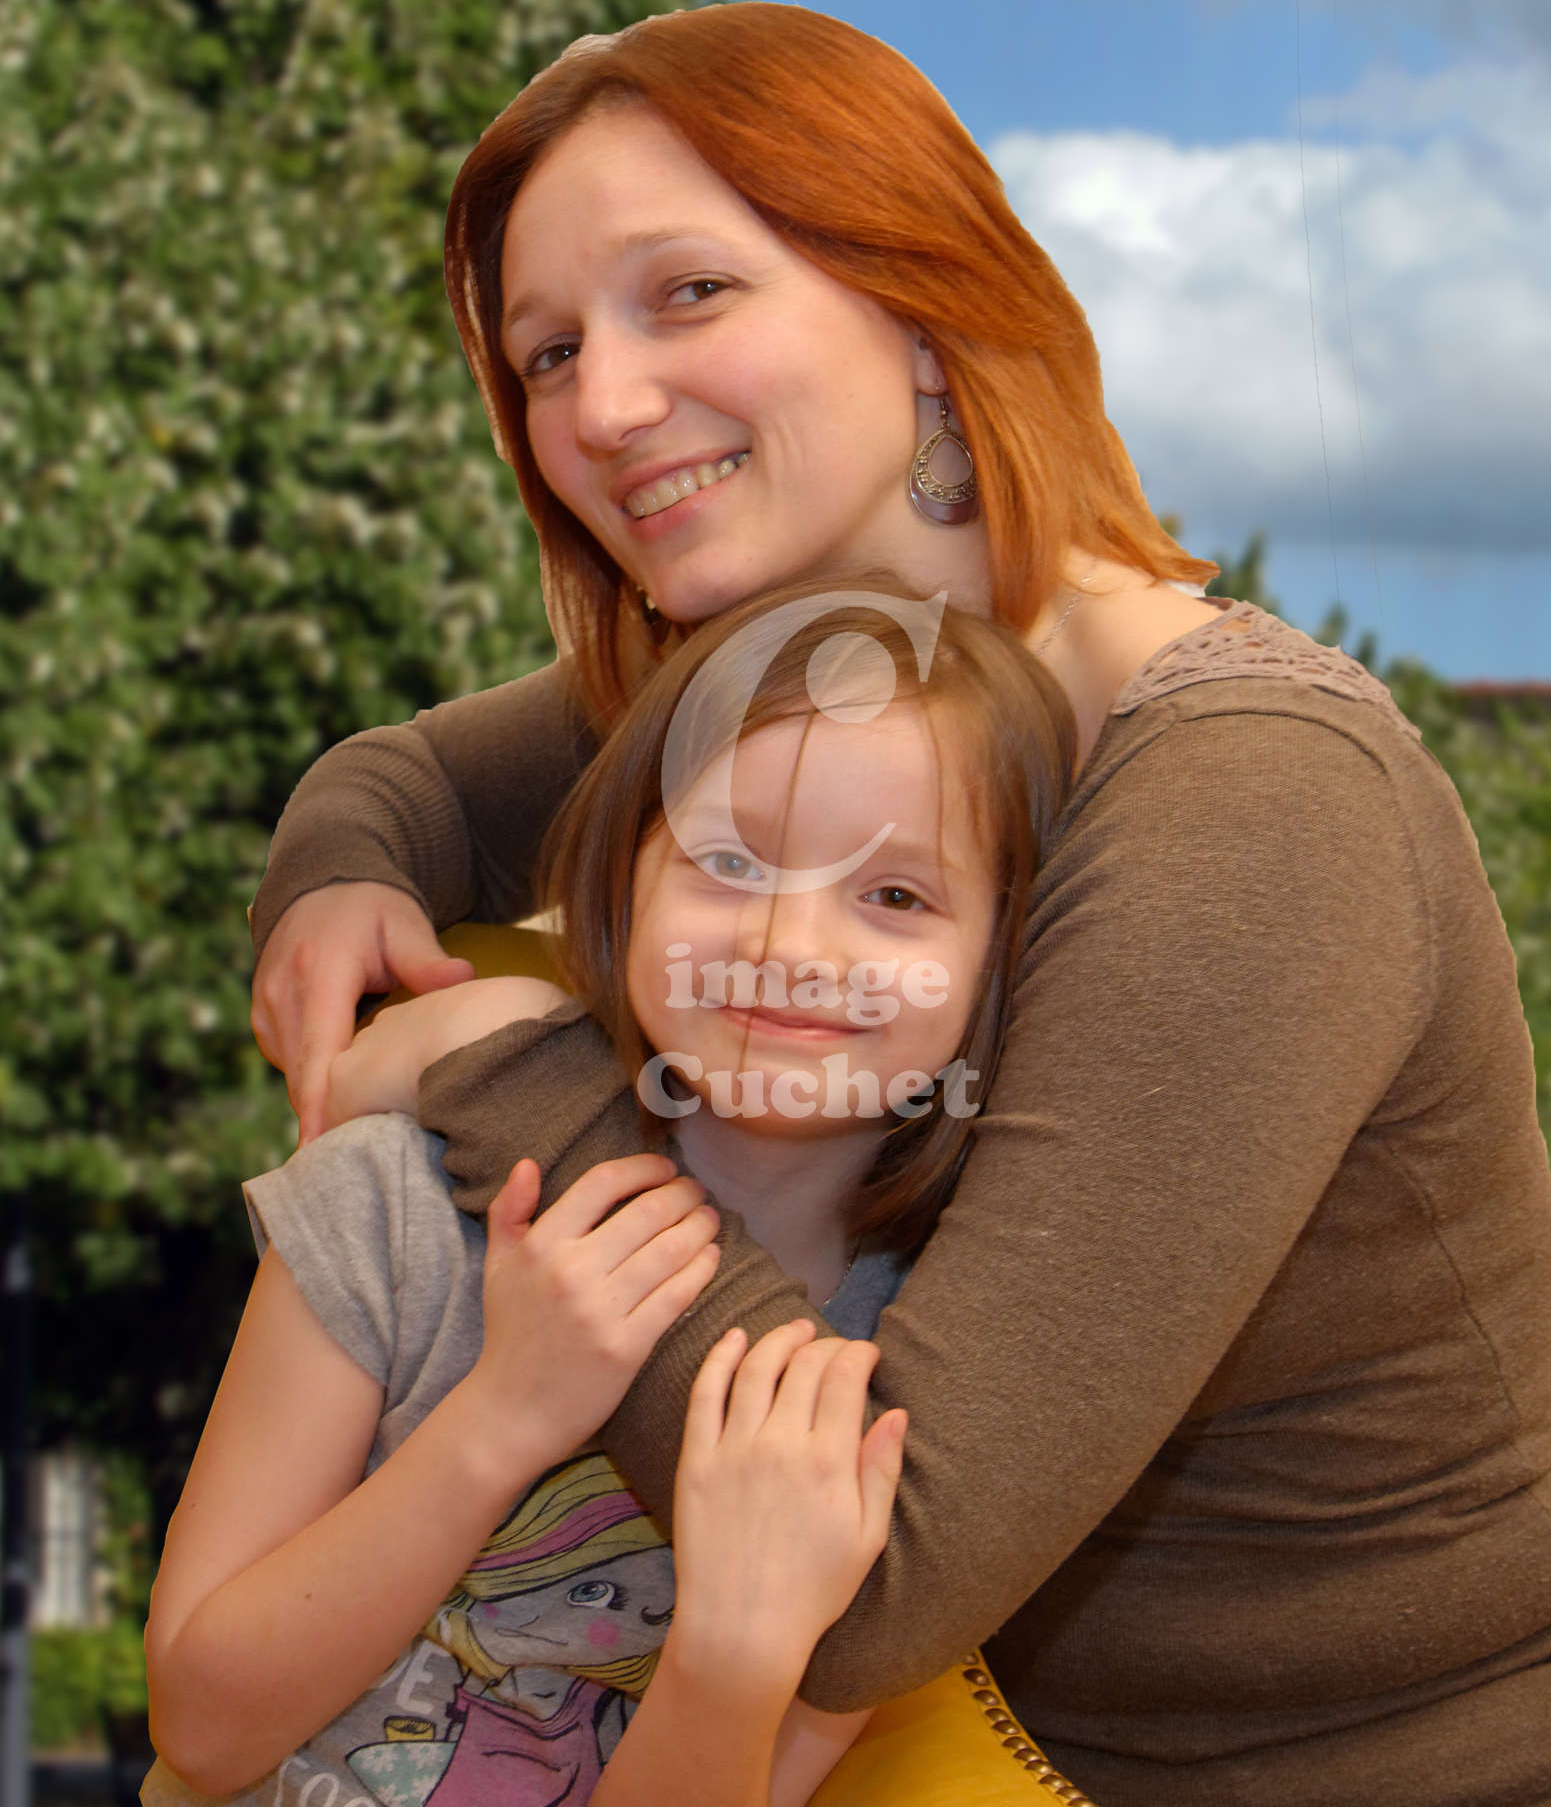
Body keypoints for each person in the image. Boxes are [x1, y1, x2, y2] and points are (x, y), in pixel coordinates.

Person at [247, 1, 1551, 1804]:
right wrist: (339, 877)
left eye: (688, 294)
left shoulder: (1254, 799)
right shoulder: (810, 701)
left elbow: (870, 1587)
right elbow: (409, 779)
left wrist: (502, 1067)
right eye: (548, 352)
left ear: (919, 301)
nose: (602, 406)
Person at [143, 581, 1078, 1807]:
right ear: (620, 886)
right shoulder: (393, 1204)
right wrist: (507, 1413)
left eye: (895, 897)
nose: (791, 948)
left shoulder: (931, 1365)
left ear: (1003, 963)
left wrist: (735, 1656)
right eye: (728, 862)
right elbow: (202, 1728)